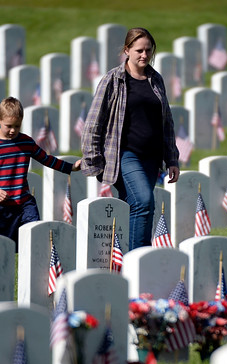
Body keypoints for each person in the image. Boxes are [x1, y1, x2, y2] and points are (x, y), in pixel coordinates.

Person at [81, 27, 180, 250]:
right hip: (125, 155)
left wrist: (172, 159)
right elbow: (93, 123)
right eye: (139, 50)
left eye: (148, 50)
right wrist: (94, 162)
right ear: (127, 50)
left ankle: (128, 265)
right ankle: (138, 263)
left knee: (139, 206)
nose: (144, 55)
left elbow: (167, 122)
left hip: (151, 159)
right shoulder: (113, 80)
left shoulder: (156, 80)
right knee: (143, 202)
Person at [0, 96, 80, 249]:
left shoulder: (26, 142)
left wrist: (70, 167)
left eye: (17, 126)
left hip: (25, 203)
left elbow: (47, 159)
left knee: (35, 238)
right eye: (9, 126)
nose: (13, 130)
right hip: (1, 206)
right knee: (1, 247)